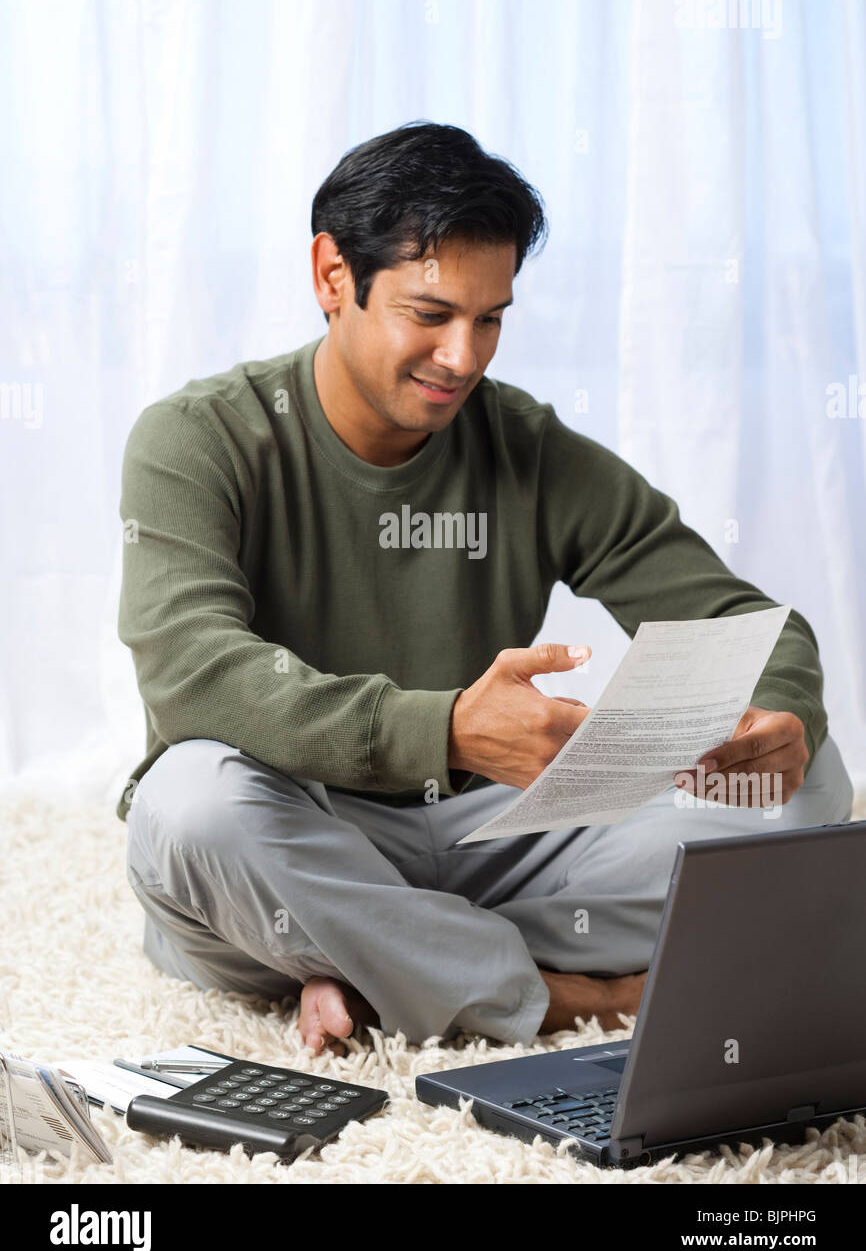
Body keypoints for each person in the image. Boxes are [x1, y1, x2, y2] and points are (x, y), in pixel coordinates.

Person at [118, 121, 854, 1056]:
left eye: (491, 317)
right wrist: (450, 728)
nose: (463, 357)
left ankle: (376, 959)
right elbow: (194, 676)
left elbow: (744, 619)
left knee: (808, 781)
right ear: (332, 277)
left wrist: (776, 711)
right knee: (191, 806)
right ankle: (567, 996)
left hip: (479, 842)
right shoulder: (196, 439)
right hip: (291, 827)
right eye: (429, 314)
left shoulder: (525, 447)